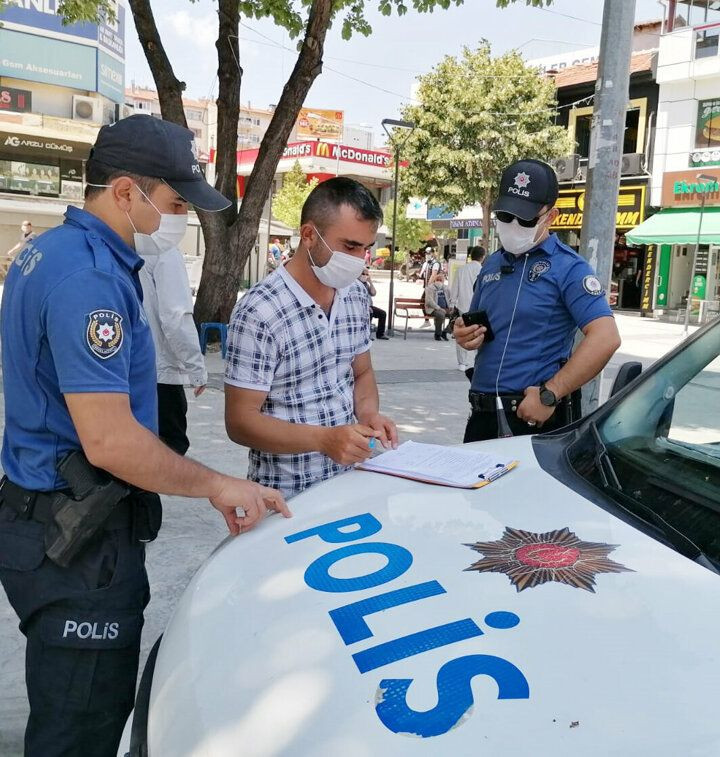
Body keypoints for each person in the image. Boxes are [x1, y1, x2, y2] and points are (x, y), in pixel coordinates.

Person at [0, 114, 289, 757]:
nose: (176, 220)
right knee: (82, 726)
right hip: (75, 541)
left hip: (49, 520)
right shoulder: (91, 281)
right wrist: (217, 483)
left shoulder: (53, 251)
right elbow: (110, 442)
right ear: (125, 192)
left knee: (67, 707)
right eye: (173, 203)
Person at [224, 177, 398, 498]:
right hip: (286, 494)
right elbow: (240, 421)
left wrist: (370, 414)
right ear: (308, 235)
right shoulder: (260, 311)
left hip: (351, 482)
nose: (360, 259)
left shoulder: (356, 296)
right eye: (349, 246)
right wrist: (323, 439)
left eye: (365, 248)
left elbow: (361, 372)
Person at [455, 158, 621, 441]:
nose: (513, 225)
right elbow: (480, 326)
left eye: (526, 218)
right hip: (482, 415)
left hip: (532, 418)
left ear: (551, 216)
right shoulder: (493, 264)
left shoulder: (569, 268)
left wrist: (550, 394)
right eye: (506, 216)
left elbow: (606, 338)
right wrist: (465, 333)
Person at [139, 245, 208, 456]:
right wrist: (195, 368)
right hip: (159, 372)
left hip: (122, 366)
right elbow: (175, 317)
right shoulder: (162, 249)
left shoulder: (113, 240)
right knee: (169, 449)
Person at [450, 245, 485, 373]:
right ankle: (478, 360)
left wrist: (452, 302)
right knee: (480, 334)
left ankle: (462, 363)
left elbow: (455, 288)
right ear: (483, 257)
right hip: (480, 308)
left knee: (463, 332)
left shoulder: (461, 270)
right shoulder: (484, 270)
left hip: (463, 306)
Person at [360, 265, 388, 340]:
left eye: (366, 274)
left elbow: (373, 293)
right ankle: (367, 335)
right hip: (361, 307)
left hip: (369, 306)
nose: (365, 276)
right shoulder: (356, 284)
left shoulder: (366, 284)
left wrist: (370, 282)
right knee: (370, 313)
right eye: (363, 274)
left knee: (382, 313)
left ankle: (380, 334)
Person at [424, 270, 453, 341]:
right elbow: (429, 301)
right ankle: (437, 334)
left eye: (441, 280)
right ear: (435, 280)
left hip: (446, 308)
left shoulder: (446, 288)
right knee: (441, 315)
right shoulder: (430, 288)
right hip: (433, 309)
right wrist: (439, 308)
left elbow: (451, 298)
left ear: (443, 281)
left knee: (456, 315)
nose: (439, 281)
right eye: (438, 279)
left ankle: (446, 331)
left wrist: (451, 307)